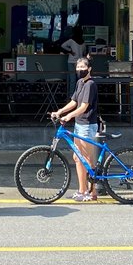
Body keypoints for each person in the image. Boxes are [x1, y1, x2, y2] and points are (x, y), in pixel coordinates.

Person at [50, 56, 99, 202]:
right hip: (79, 124)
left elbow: (84, 106)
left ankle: (92, 192)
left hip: (87, 125)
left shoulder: (90, 84)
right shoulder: (79, 83)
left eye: (83, 68)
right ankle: (82, 190)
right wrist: (60, 112)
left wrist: (68, 116)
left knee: (87, 159)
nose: (79, 70)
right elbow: (74, 102)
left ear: (89, 69)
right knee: (78, 158)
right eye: (78, 68)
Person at [60, 26, 88, 94]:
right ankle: (80, 94)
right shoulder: (83, 43)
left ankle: (71, 95)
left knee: (72, 80)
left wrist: (70, 51)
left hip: (71, 61)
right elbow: (84, 53)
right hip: (80, 63)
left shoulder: (71, 40)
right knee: (80, 80)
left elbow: (63, 45)